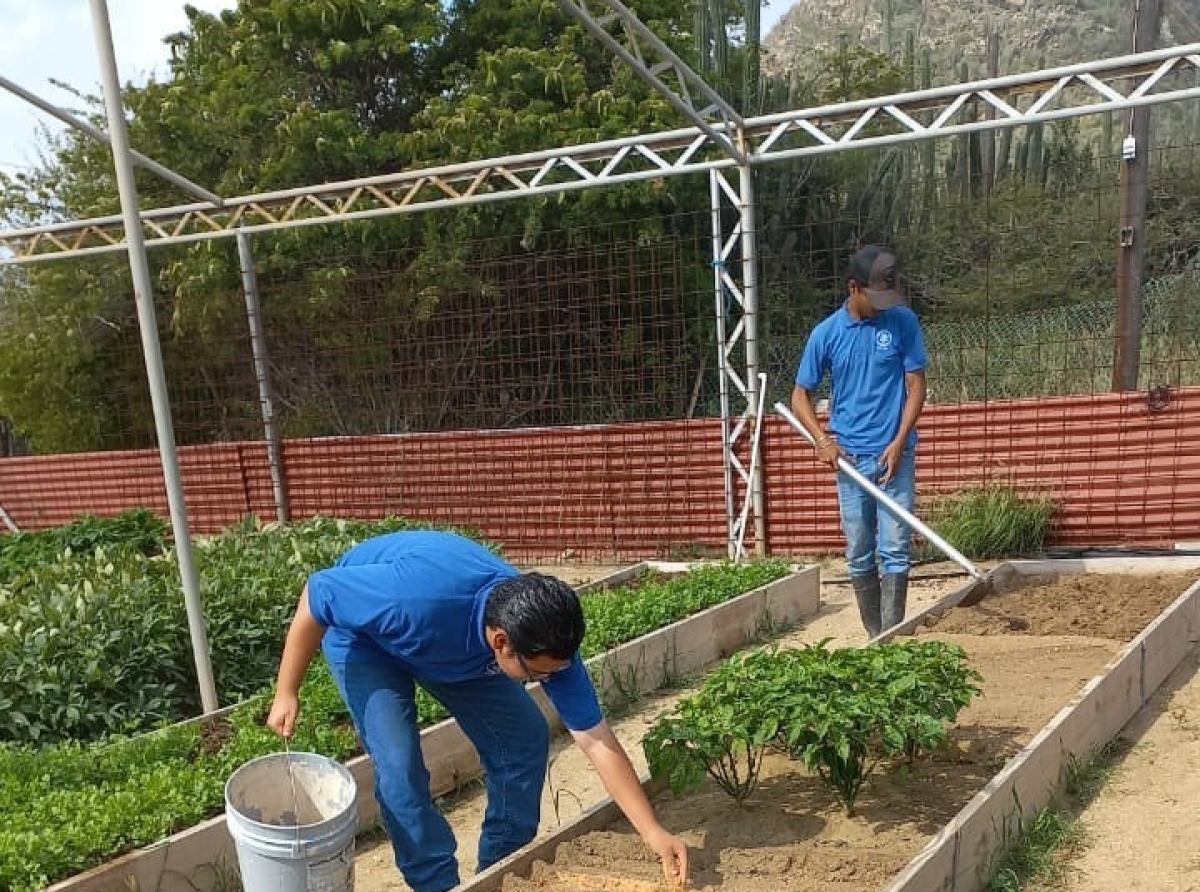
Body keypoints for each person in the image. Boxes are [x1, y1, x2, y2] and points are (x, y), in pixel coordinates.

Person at [266, 529, 689, 892]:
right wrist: (287, 690)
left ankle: (497, 871)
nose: (545, 682)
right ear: (501, 643)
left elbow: (596, 740)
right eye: (535, 675)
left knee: (523, 738)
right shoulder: (416, 600)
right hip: (366, 639)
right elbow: (320, 591)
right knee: (400, 768)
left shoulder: (547, 643)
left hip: (450, 648)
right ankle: (436, 883)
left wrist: (653, 832)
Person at [790, 245, 928, 638]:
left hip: (894, 456)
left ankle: (892, 640)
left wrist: (901, 440)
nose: (883, 306)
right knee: (859, 551)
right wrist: (822, 441)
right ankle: (875, 638)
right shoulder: (827, 334)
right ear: (854, 288)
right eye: (875, 297)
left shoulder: (902, 322)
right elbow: (800, 394)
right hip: (849, 459)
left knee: (897, 548)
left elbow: (916, 385)